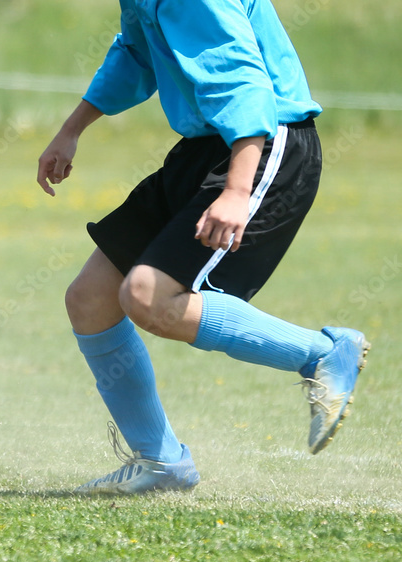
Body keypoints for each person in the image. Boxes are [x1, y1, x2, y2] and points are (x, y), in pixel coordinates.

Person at [36, 0, 370, 495]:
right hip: (204, 148)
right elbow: (135, 54)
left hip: (259, 144)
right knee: (90, 299)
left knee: (148, 296)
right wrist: (72, 129)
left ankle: (323, 354)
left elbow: (242, 78)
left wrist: (237, 190)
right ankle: (163, 462)